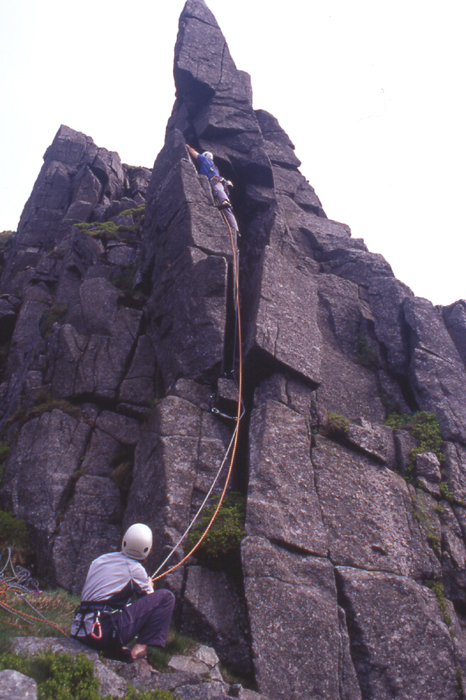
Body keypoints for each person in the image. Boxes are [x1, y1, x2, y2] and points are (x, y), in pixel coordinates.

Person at [70, 523, 175, 662]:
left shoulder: (99, 560)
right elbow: (152, 605)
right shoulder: (136, 569)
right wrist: (148, 585)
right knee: (166, 597)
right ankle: (139, 649)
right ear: (147, 549)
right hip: (101, 634)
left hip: (79, 631)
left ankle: (116, 648)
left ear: (124, 542)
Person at [186, 144, 239, 234]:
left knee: (222, 199)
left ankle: (225, 202)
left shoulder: (205, 160)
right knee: (227, 209)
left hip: (215, 182)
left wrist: (185, 145)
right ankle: (235, 230)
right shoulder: (214, 167)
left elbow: (192, 152)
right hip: (218, 183)